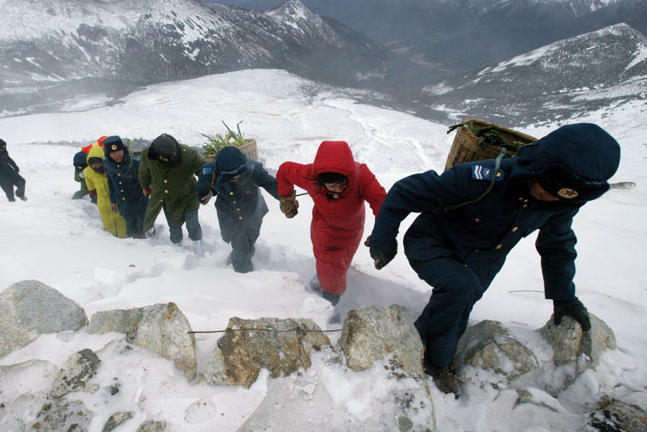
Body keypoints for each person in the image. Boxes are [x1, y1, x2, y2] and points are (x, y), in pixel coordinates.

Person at [367, 123, 621, 397]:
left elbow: (557, 244)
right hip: (432, 242)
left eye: (560, 195)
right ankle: (435, 364)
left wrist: (564, 297)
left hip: (485, 259)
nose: (548, 196)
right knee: (460, 287)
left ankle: (416, 342)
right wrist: (383, 241)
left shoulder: (560, 202)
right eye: (547, 186)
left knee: (459, 301)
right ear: (538, 165)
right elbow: (405, 192)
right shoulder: (484, 179)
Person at [276, 141, 387, 318]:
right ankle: (328, 306)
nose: (339, 189)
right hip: (324, 231)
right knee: (332, 273)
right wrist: (287, 199)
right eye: (333, 186)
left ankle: (320, 282)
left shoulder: (361, 176)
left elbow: (382, 202)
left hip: (352, 231)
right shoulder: (310, 176)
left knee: (340, 265)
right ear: (320, 181)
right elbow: (284, 171)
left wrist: (383, 233)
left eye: (343, 184)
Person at [196, 146, 279, 272]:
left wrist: (286, 198)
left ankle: (235, 258)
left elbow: (272, 184)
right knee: (241, 245)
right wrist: (206, 194)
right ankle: (244, 277)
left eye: (238, 175)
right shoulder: (208, 172)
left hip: (252, 210)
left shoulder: (253, 169)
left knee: (250, 241)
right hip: (229, 214)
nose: (235, 178)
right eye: (230, 176)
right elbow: (201, 191)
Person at [139, 133, 206, 253]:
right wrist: (145, 186)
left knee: (192, 224)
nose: (171, 158)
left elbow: (204, 171)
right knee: (174, 227)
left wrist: (206, 188)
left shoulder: (189, 155)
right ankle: (177, 249)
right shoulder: (147, 155)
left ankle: (198, 247)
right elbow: (143, 172)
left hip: (188, 195)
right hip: (167, 198)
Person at [103, 136, 149, 238]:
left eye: (119, 151)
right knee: (130, 229)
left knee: (142, 227)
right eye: (113, 153)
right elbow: (110, 182)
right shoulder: (107, 164)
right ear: (108, 154)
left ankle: (146, 247)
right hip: (124, 204)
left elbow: (146, 180)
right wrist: (113, 201)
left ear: (123, 150)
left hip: (139, 203)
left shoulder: (135, 163)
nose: (117, 155)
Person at [83, 144, 128, 238]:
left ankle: (124, 241)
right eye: (93, 164)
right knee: (107, 223)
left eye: (97, 163)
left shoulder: (112, 169)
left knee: (121, 221)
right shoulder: (88, 172)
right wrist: (91, 190)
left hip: (117, 200)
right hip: (102, 202)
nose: (95, 166)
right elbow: (90, 185)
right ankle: (110, 242)